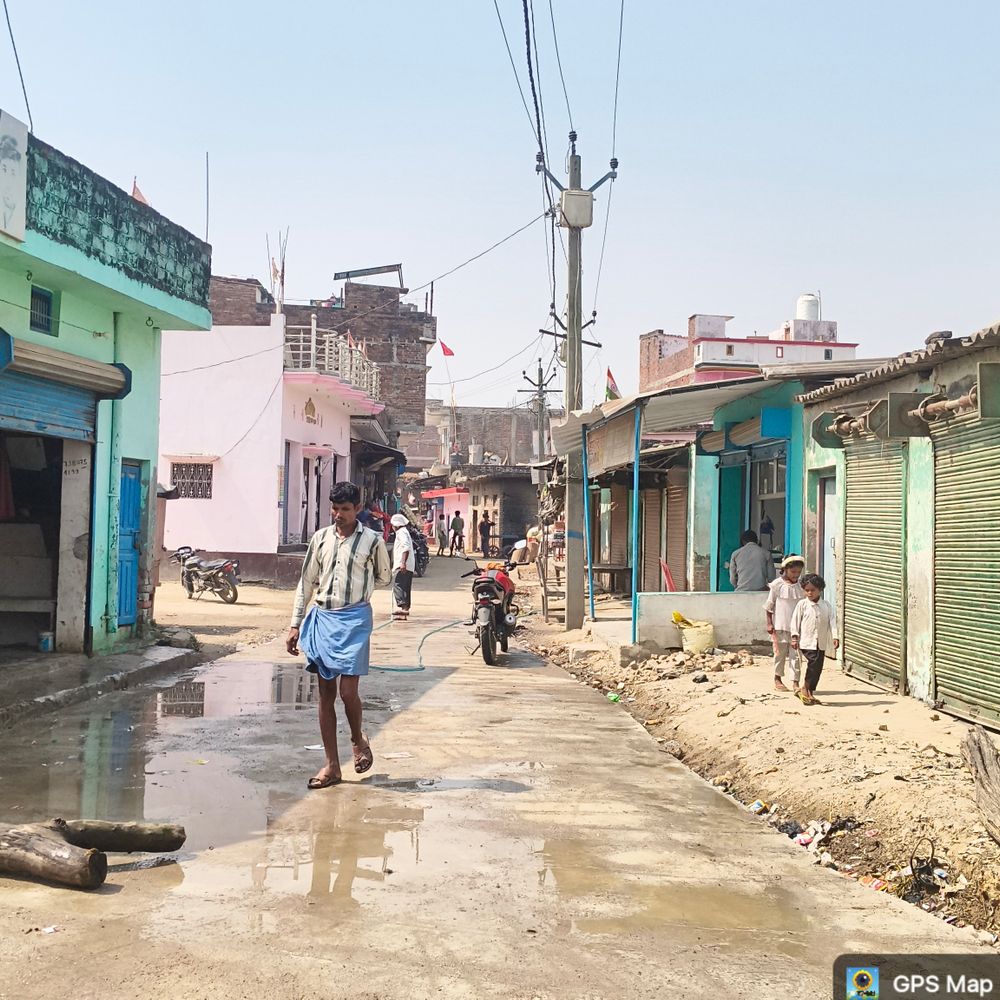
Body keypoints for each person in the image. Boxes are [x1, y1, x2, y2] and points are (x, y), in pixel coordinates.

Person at [286, 481, 391, 790]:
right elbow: (306, 582)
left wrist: (360, 588)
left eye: (345, 509)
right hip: (323, 619)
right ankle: (332, 765)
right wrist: (295, 624)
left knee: (348, 692)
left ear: (357, 509)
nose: (339, 514)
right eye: (335, 508)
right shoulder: (320, 539)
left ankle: (358, 739)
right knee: (326, 694)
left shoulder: (372, 541)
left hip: (355, 620)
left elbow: (384, 577)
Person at [790, 572, 839, 706]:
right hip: (807, 641)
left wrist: (835, 637)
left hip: (821, 642)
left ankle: (810, 691)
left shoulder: (826, 606)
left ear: (820, 589)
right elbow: (795, 621)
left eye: (813, 590)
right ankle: (805, 688)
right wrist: (794, 637)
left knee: (818, 667)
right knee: (813, 663)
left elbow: (832, 622)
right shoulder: (802, 605)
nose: (810, 593)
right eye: (807, 590)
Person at [764, 555, 806, 693]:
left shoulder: (801, 585)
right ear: (785, 570)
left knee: (796, 656)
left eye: (798, 572)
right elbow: (769, 606)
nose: (796, 575)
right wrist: (769, 623)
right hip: (780, 626)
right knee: (779, 654)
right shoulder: (777, 585)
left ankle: (795, 682)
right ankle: (777, 678)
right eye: (793, 572)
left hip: (797, 628)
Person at [390, 512, 414, 620]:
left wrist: (403, 562)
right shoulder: (404, 532)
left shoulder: (401, 533)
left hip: (403, 564)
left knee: (398, 585)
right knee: (405, 587)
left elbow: (405, 547)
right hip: (408, 565)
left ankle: (403, 607)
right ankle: (404, 612)